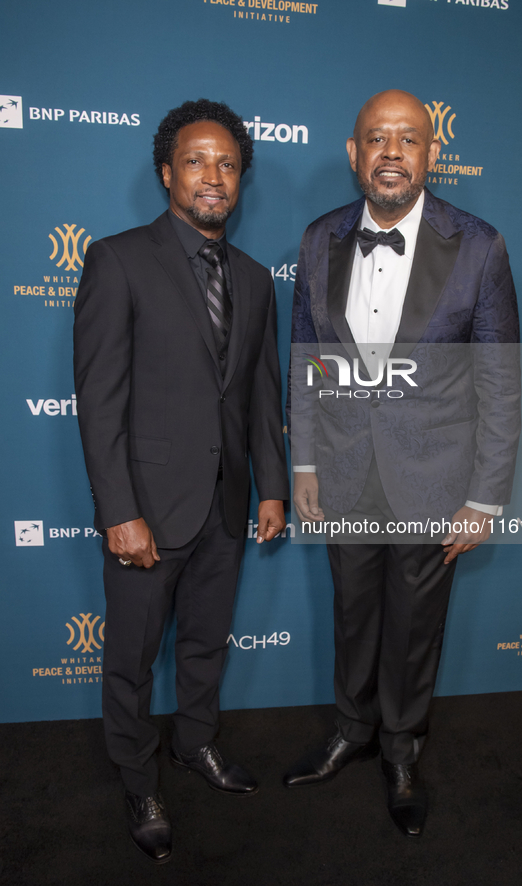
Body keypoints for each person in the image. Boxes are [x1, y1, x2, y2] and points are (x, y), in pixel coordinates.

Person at [285, 90, 520, 838]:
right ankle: (350, 730)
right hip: (346, 470)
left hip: (435, 473)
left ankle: (399, 746)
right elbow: (304, 362)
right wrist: (304, 464)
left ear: (430, 153)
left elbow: (500, 379)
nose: (391, 150)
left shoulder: (479, 245)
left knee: (415, 624)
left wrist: (484, 498)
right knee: (353, 613)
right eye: (376, 138)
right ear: (353, 154)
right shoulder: (318, 237)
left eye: (408, 138)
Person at [74, 99, 289, 864]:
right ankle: (138, 778)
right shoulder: (118, 259)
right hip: (148, 512)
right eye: (196, 160)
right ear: (167, 172)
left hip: (226, 505)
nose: (213, 175)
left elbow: (263, 391)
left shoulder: (258, 280)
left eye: (227, 164)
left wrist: (269, 488)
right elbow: (99, 402)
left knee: (204, 645)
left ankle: (196, 743)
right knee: (131, 658)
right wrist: (118, 510)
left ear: (240, 181)